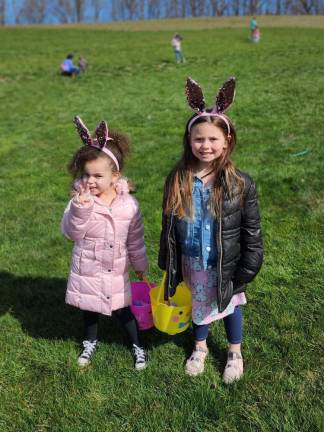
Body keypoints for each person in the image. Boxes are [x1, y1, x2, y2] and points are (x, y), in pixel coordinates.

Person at [158, 77, 263, 384]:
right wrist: (168, 259)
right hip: (192, 260)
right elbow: (168, 223)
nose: (205, 146)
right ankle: (200, 346)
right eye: (199, 139)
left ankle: (234, 352)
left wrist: (248, 266)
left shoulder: (239, 183)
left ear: (227, 141)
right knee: (199, 305)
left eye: (213, 139)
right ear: (189, 140)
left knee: (229, 307)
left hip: (225, 262)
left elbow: (251, 230)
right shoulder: (177, 177)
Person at [61, 116, 149, 370]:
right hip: (88, 268)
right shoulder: (80, 201)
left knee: (123, 310)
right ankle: (90, 341)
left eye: (98, 176)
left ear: (115, 176)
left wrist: (140, 265)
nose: (90, 181)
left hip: (116, 269)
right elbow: (71, 233)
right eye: (86, 175)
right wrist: (80, 209)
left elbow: (135, 239)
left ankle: (137, 345)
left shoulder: (129, 205)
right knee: (89, 309)